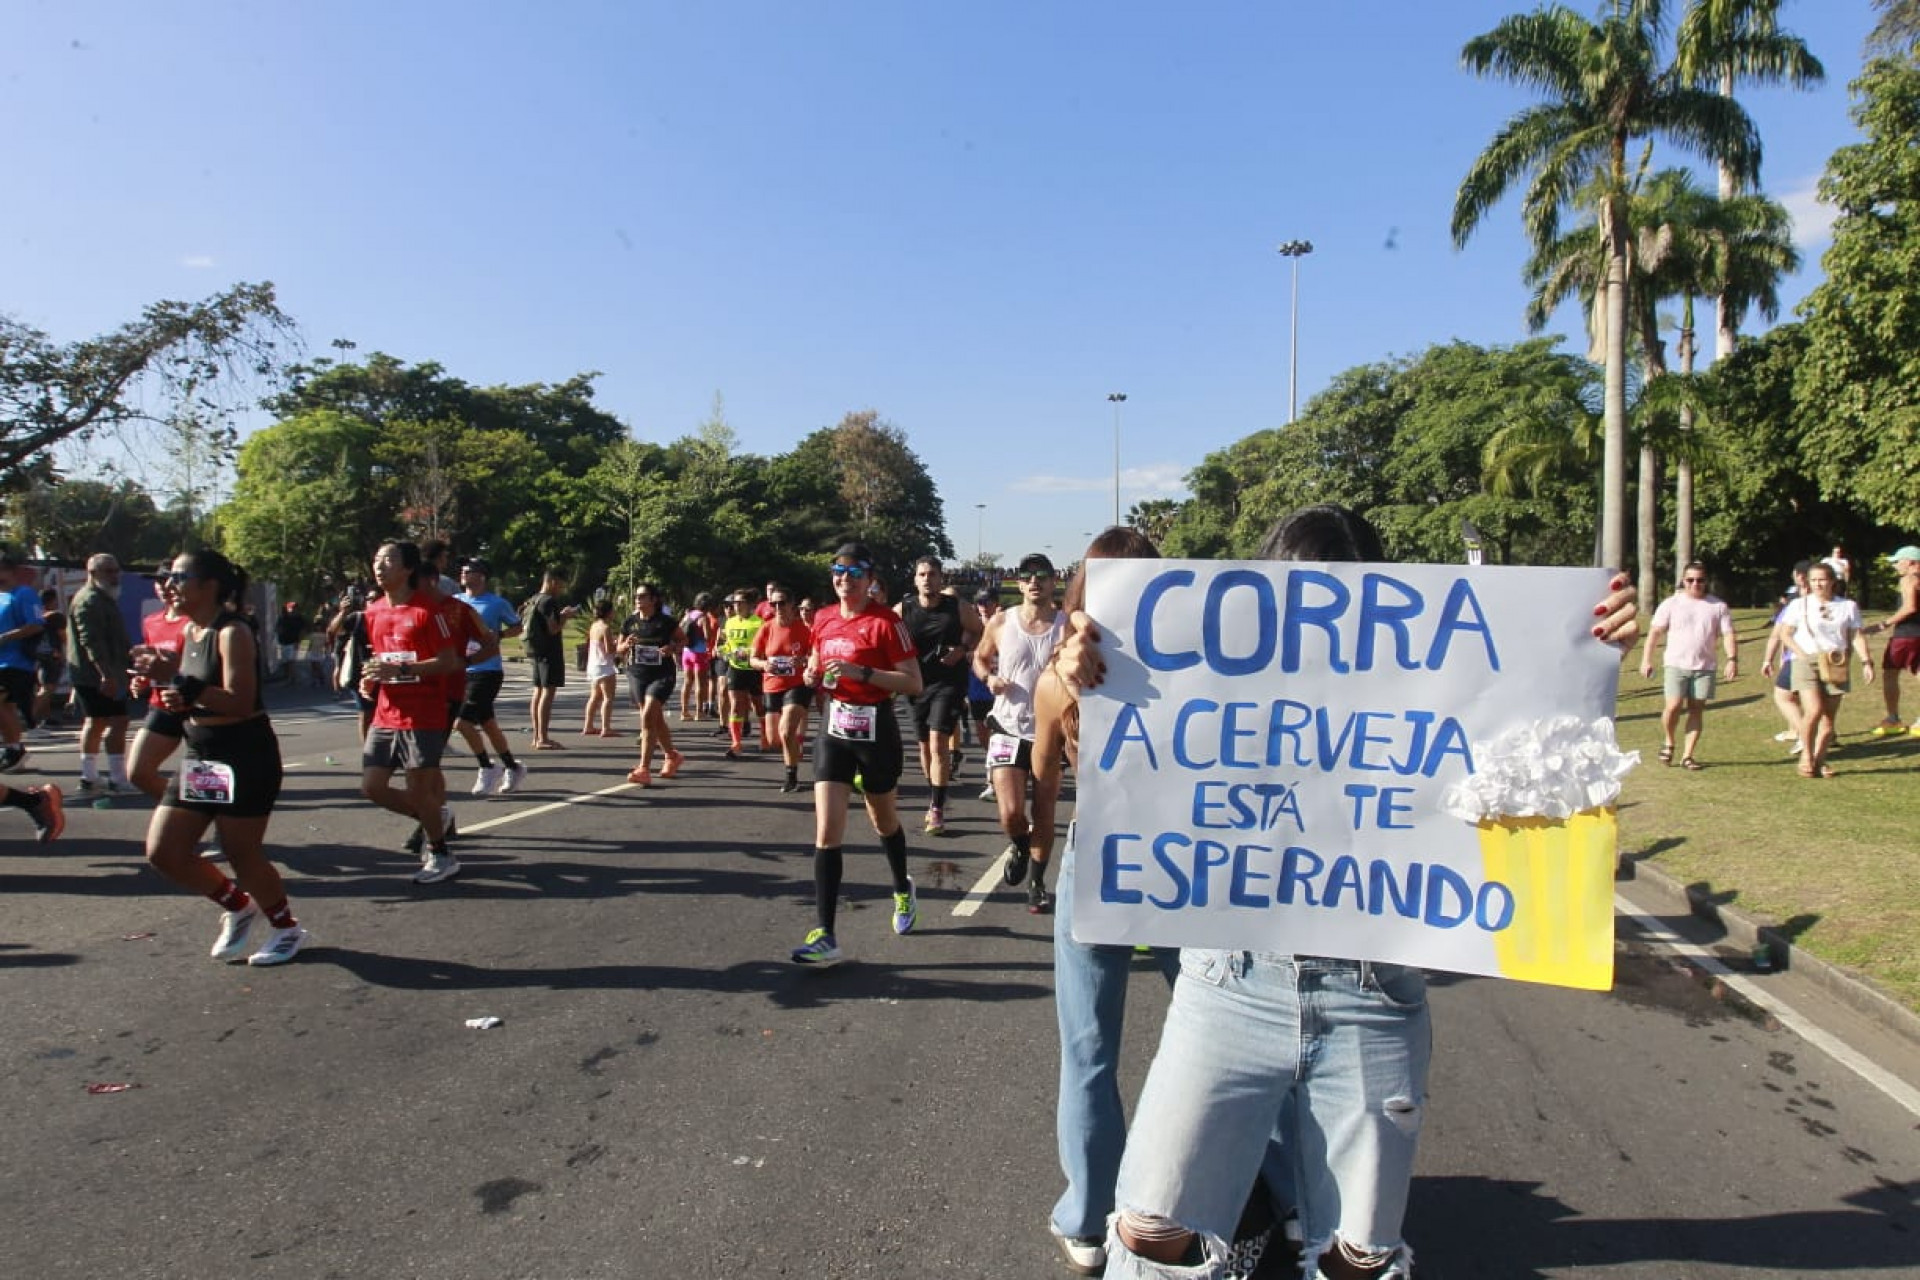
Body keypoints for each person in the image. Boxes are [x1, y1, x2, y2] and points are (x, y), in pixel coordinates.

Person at [1041, 509, 1642, 1280]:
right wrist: (1078, 667)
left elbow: (1533, 734)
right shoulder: (1221, 673)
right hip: (1230, 982)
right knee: (1152, 1236)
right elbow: (1131, 720)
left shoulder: (1425, 683)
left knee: (1358, 1261)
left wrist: (1590, 647)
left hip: (1372, 998)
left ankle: (1285, 1211)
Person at [129, 550, 303, 966]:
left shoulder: (232, 631)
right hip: (203, 755)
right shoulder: (191, 630)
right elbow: (189, 691)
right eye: (169, 575)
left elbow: (241, 701)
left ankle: (286, 928)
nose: (170, 584)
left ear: (209, 586)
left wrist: (182, 684)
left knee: (243, 853)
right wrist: (165, 687)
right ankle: (238, 906)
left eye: (179, 576)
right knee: (165, 851)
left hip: (244, 754)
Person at [791, 542, 923, 966]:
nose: (843, 579)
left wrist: (861, 672)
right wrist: (812, 673)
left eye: (852, 573)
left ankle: (902, 888)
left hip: (875, 727)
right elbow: (815, 659)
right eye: (837, 572)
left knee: (884, 821)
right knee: (827, 830)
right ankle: (825, 934)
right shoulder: (825, 618)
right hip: (834, 726)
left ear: (869, 580)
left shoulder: (886, 624)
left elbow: (913, 683)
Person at [359, 541, 464, 884]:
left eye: (388, 560)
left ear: (407, 569)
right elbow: (383, 659)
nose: (380, 565)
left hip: (423, 714)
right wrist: (371, 679)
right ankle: (436, 816)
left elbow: (449, 662)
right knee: (372, 786)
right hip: (386, 713)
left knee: (419, 789)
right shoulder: (372, 612)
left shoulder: (427, 612)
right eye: (377, 559)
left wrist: (404, 672)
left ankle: (440, 852)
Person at [974, 551, 1066, 912]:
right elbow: (980, 657)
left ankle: (1038, 882)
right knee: (1011, 812)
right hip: (1008, 727)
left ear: (1053, 580)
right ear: (1017, 582)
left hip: (1050, 733)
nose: (1034, 582)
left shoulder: (1066, 626)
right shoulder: (1001, 621)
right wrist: (989, 677)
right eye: (1027, 576)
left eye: (1041, 575)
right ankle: (1020, 843)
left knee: (1044, 810)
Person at [898, 557, 981, 836]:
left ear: (940, 578)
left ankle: (937, 807)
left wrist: (962, 649)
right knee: (924, 747)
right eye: (922, 574)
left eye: (932, 574)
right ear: (915, 579)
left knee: (937, 743)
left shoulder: (956, 607)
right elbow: (881, 634)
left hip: (949, 682)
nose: (927, 579)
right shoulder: (904, 609)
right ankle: (935, 789)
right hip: (917, 684)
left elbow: (980, 629)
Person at [1778, 560, 1874, 779]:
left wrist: (1866, 661)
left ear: (1832, 581)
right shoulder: (1799, 605)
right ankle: (1806, 756)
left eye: (1822, 580)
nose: (1818, 584)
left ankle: (1820, 761)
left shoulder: (1847, 606)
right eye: (1813, 580)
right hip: (1806, 661)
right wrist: (1800, 654)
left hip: (1835, 662)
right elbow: (1785, 633)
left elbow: (1855, 635)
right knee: (1813, 710)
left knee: (1829, 719)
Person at [1637, 561, 1737, 771]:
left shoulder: (1718, 606)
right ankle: (1669, 741)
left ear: (1706, 581)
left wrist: (1732, 659)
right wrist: (1647, 659)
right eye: (1690, 580)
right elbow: (1654, 633)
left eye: (1700, 580)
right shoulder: (1671, 604)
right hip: (1676, 664)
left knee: (1696, 710)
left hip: (1704, 667)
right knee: (1673, 706)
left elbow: (1728, 634)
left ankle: (1688, 755)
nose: (1695, 584)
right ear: (1683, 581)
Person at [452, 557, 527, 796]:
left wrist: (501, 635)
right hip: (462, 669)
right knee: (488, 724)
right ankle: (513, 767)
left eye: (470, 570)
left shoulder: (496, 603)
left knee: (461, 722)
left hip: (488, 669)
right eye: (462, 570)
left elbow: (518, 626)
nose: (464, 573)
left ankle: (486, 766)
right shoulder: (455, 601)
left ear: (482, 576)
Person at [67, 554, 134, 794]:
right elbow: (91, 641)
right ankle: (116, 779)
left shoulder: (103, 597)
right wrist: (106, 674)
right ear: (92, 573)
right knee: (117, 721)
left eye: (116, 571)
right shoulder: (90, 600)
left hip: (97, 673)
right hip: (97, 674)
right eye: (109, 571)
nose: (115, 576)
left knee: (96, 722)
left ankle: (90, 777)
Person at [128, 573, 191, 801]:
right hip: (162, 704)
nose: (165, 587)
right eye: (158, 582)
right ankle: (190, 808)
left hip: (197, 706)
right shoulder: (151, 621)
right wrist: (142, 679)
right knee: (138, 773)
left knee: (209, 780)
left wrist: (173, 668)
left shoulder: (197, 623)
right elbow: (150, 663)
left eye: (170, 580)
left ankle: (206, 814)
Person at [617, 582, 685, 786]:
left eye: (642, 596)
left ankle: (643, 769)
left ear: (653, 599)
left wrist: (672, 648)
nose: (638, 599)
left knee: (647, 715)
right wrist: (625, 645)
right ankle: (672, 756)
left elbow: (684, 640)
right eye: (636, 596)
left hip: (662, 675)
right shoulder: (630, 622)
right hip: (637, 674)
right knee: (654, 718)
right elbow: (618, 648)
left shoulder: (666, 622)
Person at [751, 587, 813, 793]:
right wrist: (764, 665)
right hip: (771, 684)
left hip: (796, 685)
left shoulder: (804, 630)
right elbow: (753, 658)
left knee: (786, 731)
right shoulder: (766, 628)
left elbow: (815, 657)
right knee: (773, 739)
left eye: (782, 603)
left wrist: (803, 660)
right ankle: (795, 748)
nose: (777, 607)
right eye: (773, 604)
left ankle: (791, 776)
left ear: (791, 604)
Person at [1759, 561, 1811, 757]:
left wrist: (1768, 660)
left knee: (1785, 696)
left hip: (1797, 658)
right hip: (1825, 658)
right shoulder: (1834, 602)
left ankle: (1805, 736)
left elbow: (1777, 634)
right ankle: (1818, 733)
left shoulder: (1794, 604)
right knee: (1812, 699)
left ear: (1799, 576)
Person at [1867, 544, 1920, 736]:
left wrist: (1884, 624)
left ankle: (1893, 719)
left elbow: (1910, 607)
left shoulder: (1908, 579)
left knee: (1890, 673)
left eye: (1898, 562)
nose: (1895, 565)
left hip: (1906, 634)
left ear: (1911, 563)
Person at [0, 549, 45, 773]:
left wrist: (5, 638)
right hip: (1, 662)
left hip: (15, 662)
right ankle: (13, 748)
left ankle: (14, 749)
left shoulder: (24, 594)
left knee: (3, 704)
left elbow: (36, 624)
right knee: (4, 707)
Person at [524, 567, 577, 750]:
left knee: (538, 692)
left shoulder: (534, 599)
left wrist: (560, 615)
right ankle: (543, 738)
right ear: (553, 581)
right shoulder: (548, 601)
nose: (561, 589)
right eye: (561, 585)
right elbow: (553, 629)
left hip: (536, 650)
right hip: (549, 652)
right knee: (547, 693)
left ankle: (536, 735)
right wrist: (566, 618)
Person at [718, 590, 766, 760]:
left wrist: (748, 652)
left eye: (740, 603)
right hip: (735, 667)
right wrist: (722, 651)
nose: (736, 606)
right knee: (736, 705)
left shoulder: (758, 623)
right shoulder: (729, 622)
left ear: (750, 605)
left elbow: (765, 647)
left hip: (753, 669)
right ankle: (736, 743)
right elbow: (725, 643)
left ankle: (764, 737)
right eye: (735, 603)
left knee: (757, 705)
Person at [967, 588, 1000, 801]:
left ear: (996, 603)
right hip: (977, 688)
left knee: (999, 736)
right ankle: (996, 771)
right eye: (980, 602)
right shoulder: (971, 629)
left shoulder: (1006, 625)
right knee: (983, 735)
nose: (983, 606)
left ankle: (994, 780)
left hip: (1000, 688)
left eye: (987, 601)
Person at [31, 585, 68, 734]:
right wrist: (67, 651)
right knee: (48, 688)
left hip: (36, 656)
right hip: (51, 655)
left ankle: (45, 718)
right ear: (53, 600)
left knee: (43, 686)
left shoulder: (36, 616)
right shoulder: (56, 616)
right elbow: (63, 636)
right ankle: (30, 719)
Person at [678, 592, 718, 721]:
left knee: (687, 682)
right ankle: (699, 712)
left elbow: (678, 630)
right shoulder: (703, 617)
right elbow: (707, 636)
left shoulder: (688, 615)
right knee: (700, 683)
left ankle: (684, 711)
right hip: (699, 652)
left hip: (686, 651)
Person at [582, 597, 619, 736]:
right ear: (609, 612)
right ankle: (606, 727)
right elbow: (610, 650)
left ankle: (588, 725)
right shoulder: (606, 628)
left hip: (593, 665)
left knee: (594, 696)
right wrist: (619, 644)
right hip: (604, 665)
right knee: (608, 697)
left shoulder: (594, 626)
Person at [273, 601, 308, 685]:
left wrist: (300, 643)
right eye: (291, 607)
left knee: (291, 661)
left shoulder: (299, 618)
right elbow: (277, 629)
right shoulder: (282, 617)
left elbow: (303, 631)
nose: (293, 609)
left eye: (295, 608)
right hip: (282, 642)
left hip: (293, 642)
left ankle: (292, 679)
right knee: (285, 661)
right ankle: (288, 676)